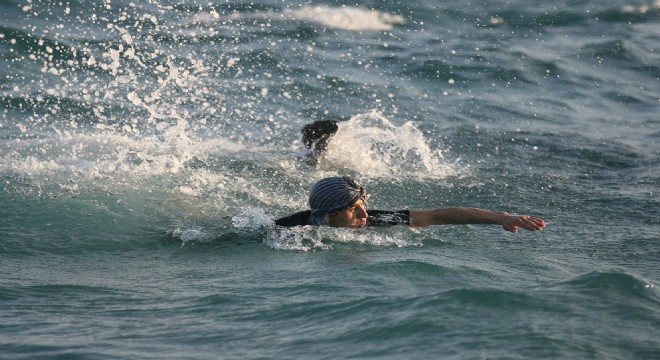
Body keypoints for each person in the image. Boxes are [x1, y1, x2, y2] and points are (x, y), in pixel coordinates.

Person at [275, 176, 546, 232]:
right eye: (352, 209)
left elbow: (437, 216)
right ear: (330, 214)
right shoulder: (291, 228)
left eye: (364, 203)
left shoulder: (375, 219)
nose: (364, 214)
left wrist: (500, 217)